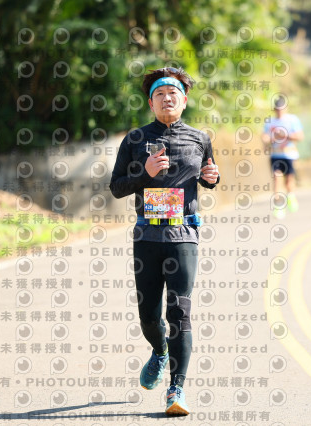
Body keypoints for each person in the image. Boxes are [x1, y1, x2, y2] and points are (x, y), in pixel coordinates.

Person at [109, 67, 220, 416]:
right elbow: (116, 187)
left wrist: (212, 178)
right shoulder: (135, 139)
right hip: (147, 235)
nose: (167, 98)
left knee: (179, 313)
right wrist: (145, 173)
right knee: (148, 316)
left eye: (173, 94)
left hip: (184, 235)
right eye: (160, 94)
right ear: (150, 103)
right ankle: (160, 351)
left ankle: (176, 389)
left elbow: (208, 175)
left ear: (184, 101)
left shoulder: (199, 139)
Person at [262, 96, 304, 219]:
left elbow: (300, 136)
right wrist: (269, 139)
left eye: (281, 108)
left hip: (289, 154)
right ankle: (279, 206)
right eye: (277, 109)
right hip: (276, 155)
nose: (279, 111)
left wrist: (285, 136)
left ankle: (290, 196)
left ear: (286, 108)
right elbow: (264, 137)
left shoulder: (292, 120)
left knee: (289, 180)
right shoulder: (270, 122)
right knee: (277, 178)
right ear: (274, 109)